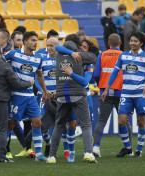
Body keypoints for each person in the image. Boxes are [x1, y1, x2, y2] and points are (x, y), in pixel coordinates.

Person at [101, 32, 145, 158]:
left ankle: (139, 149)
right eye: (131, 41)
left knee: (141, 122)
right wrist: (106, 89)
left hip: (140, 94)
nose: (132, 43)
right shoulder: (123, 56)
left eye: (135, 41)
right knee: (121, 121)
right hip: (125, 94)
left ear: (141, 43)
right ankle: (127, 147)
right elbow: (114, 73)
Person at [47, 34, 97, 164]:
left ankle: (51, 156)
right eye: (80, 45)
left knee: (58, 126)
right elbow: (94, 57)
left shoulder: (58, 54)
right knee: (86, 125)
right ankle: (89, 153)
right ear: (77, 45)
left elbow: (58, 47)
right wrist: (75, 53)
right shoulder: (79, 54)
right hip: (78, 95)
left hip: (62, 96)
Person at [3, 31, 51, 162]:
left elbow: (40, 76)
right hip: (16, 95)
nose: (36, 43)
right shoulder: (14, 54)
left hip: (30, 96)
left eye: (37, 41)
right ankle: (3, 153)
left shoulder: (38, 58)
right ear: (25, 42)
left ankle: (38, 153)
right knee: (11, 125)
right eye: (33, 40)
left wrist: (45, 91)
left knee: (37, 123)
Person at [93, 33, 133, 157]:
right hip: (121, 91)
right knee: (125, 121)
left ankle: (96, 147)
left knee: (101, 121)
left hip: (106, 91)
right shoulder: (125, 55)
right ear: (120, 43)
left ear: (108, 43)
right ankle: (129, 148)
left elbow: (96, 74)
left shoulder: (102, 54)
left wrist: (101, 84)